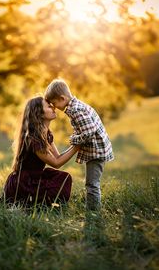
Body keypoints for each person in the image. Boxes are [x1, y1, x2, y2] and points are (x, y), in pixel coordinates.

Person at [45, 79, 114, 211]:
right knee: (92, 182)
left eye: (54, 103)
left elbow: (89, 132)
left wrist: (75, 139)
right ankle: (92, 208)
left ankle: (93, 212)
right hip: (96, 149)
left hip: (96, 151)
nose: (54, 107)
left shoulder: (76, 110)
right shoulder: (76, 106)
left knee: (92, 184)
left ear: (62, 98)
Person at [4, 96, 78, 206]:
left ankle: (40, 201)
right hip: (24, 182)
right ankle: (31, 203)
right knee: (58, 189)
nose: (54, 108)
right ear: (39, 113)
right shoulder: (33, 138)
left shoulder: (47, 134)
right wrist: (77, 146)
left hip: (37, 176)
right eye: (49, 106)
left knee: (64, 178)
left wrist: (76, 144)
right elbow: (56, 163)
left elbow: (57, 157)